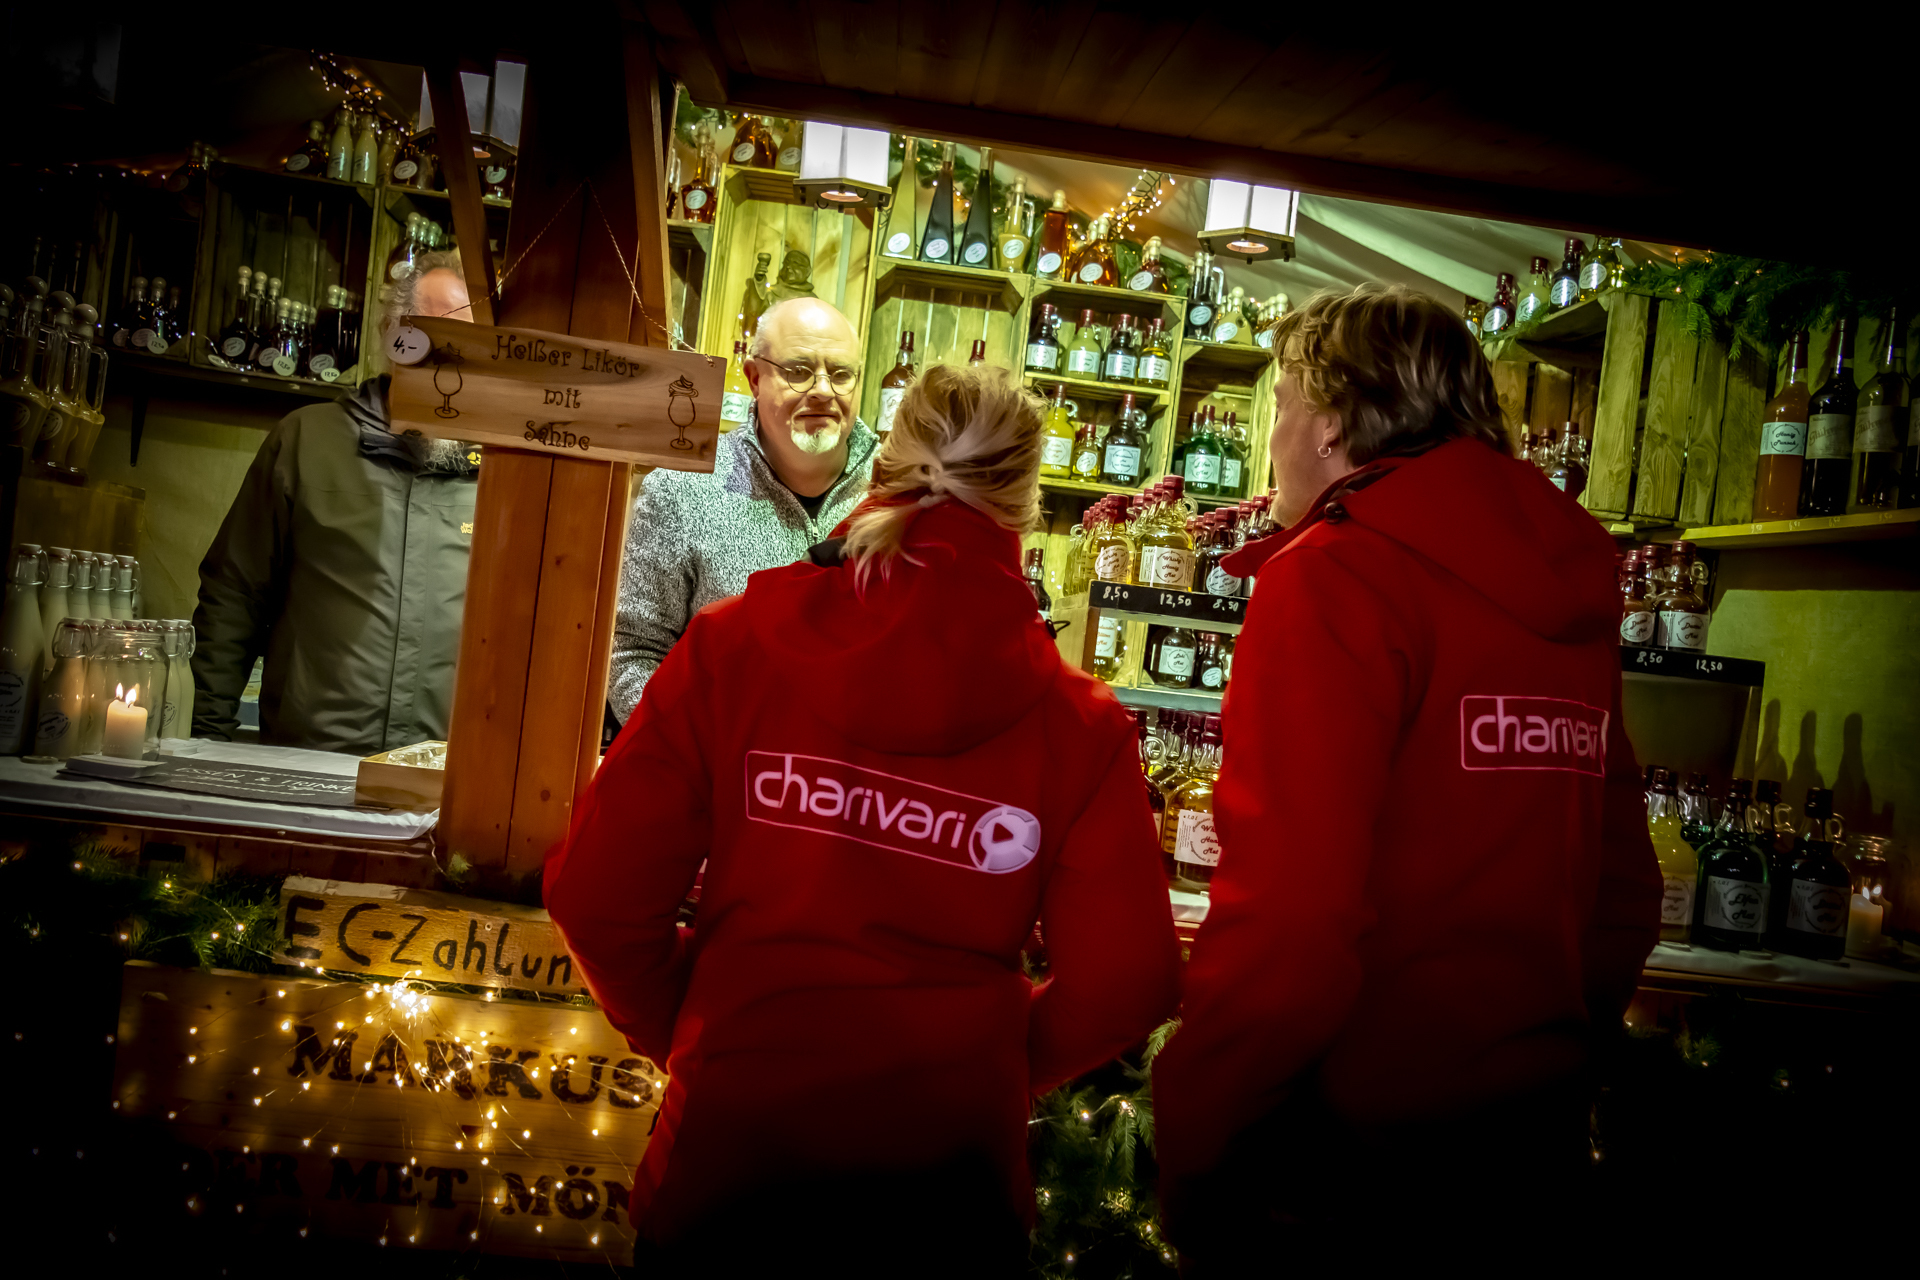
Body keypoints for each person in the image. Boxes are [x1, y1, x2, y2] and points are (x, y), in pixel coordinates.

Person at [546, 365, 1181, 1277]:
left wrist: (695, 1031)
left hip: (730, 1156)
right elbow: (1130, 982)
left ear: (884, 463)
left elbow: (596, 897)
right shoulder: (1079, 721)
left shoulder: (732, 646)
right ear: (1025, 503)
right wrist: (991, 1068)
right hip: (950, 1192)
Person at [1152, 284, 1662, 1268]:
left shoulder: (1337, 573)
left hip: (1353, 1164)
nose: (1272, 437)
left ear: (1331, 420)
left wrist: (1199, 1135)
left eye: (1281, 404)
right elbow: (1623, 888)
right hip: (1533, 1145)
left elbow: (1291, 916)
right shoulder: (1569, 582)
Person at [190, 253, 478, 754]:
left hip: (441, 775)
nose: (448, 359)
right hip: (307, 762)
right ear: (393, 338)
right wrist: (201, 740)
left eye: (470, 345)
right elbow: (233, 598)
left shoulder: (508, 475)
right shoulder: (306, 441)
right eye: (431, 336)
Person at [606, 296, 878, 721]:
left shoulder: (900, 493)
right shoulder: (682, 488)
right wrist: (696, 747)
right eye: (799, 371)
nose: (823, 391)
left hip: (855, 763)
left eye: (841, 374)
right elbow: (634, 652)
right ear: (754, 378)